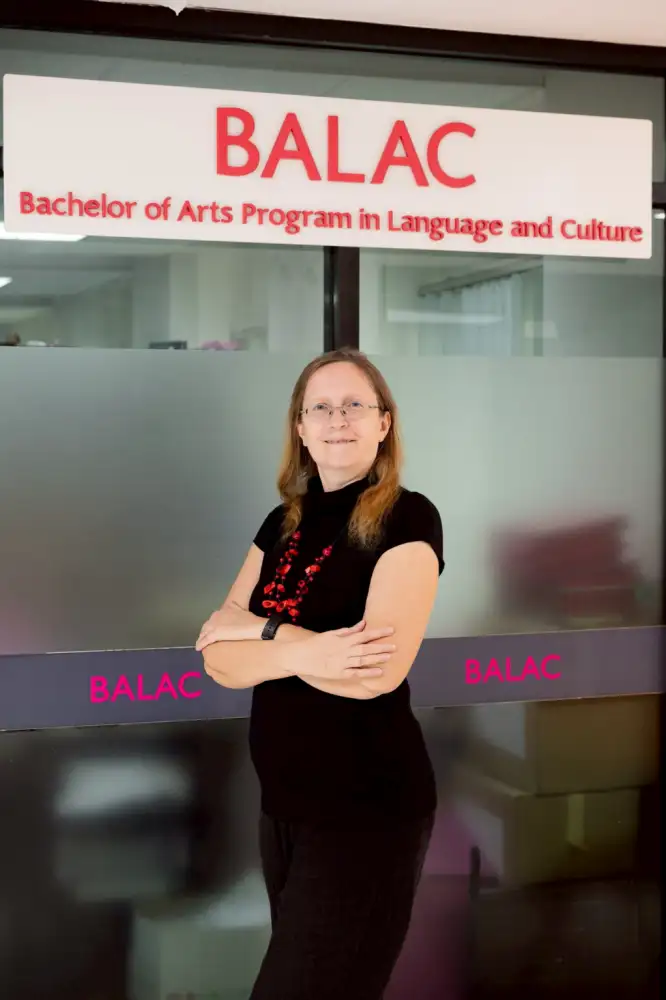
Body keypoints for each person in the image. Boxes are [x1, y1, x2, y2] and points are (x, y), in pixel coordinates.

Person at [197, 347, 444, 1000]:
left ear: (383, 423)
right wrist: (303, 648)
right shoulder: (282, 522)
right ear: (300, 428)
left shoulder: (408, 517)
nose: (338, 419)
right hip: (282, 808)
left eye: (355, 404)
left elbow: (374, 673)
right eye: (321, 407)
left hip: (366, 812)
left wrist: (259, 633)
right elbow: (217, 655)